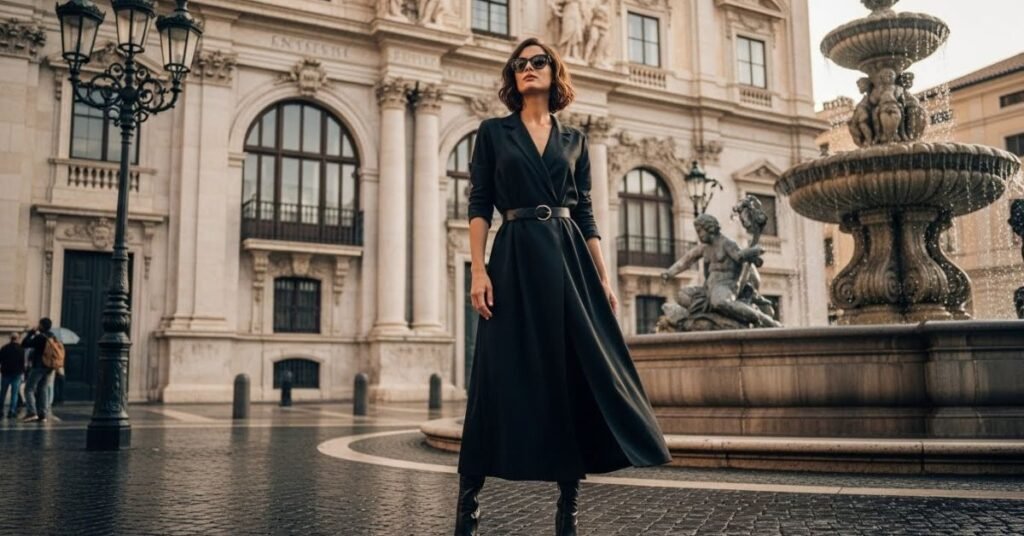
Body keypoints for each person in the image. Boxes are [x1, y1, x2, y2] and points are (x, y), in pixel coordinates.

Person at [454, 37, 672, 536]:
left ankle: (568, 508)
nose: (528, 68)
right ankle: (467, 503)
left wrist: (603, 276)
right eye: (520, 64)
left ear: (554, 72)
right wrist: (478, 270)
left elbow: (586, 212)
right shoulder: (493, 132)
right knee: (494, 375)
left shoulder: (575, 139)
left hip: (569, 256)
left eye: (538, 62)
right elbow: (480, 203)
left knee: (572, 375)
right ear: (513, 77)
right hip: (514, 255)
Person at [21, 318, 58, 423]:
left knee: (28, 389)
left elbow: (24, 344)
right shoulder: (53, 337)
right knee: (43, 389)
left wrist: (31, 332)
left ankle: (32, 413)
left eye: (39, 324)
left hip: (39, 366)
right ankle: (43, 414)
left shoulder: (40, 337)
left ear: (41, 325)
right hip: (49, 367)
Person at [0, 334, 25, 418]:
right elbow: (22, 362)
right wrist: (22, 372)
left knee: (3, 393)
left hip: (6, 373)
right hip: (17, 373)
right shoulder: (21, 349)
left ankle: (0, 410)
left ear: (10, 338)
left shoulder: (4, 348)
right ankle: (12, 411)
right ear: (17, 339)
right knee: (14, 394)